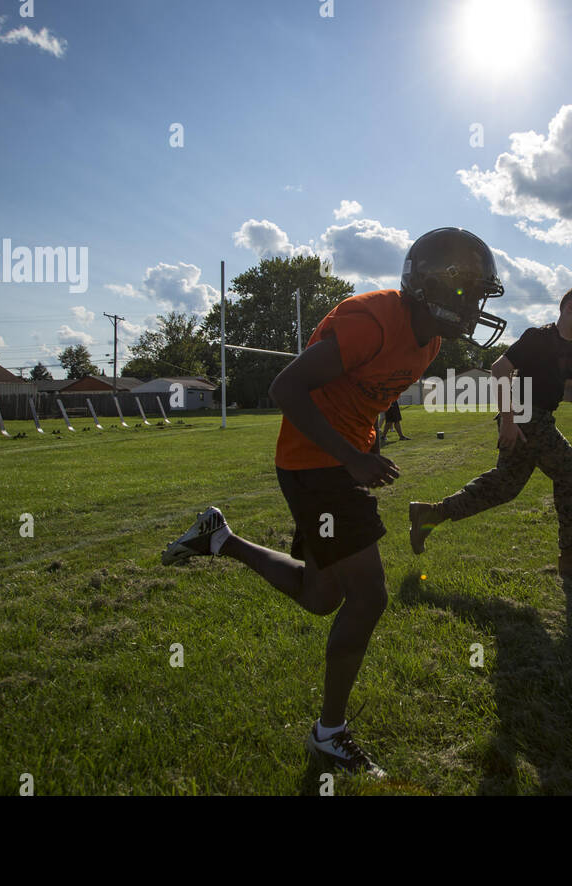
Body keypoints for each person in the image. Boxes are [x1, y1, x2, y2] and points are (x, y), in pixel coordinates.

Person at [159, 227, 507, 778]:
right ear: (431, 288)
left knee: (322, 596)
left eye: (481, 297)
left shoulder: (430, 342)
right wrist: (351, 459)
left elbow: (360, 401)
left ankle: (218, 538)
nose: (475, 309)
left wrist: (362, 451)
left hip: (332, 464)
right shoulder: (371, 319)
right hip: (315, 465)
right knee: (367, 598)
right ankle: (329, 734)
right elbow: (286, 388)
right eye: (469, 293)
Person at [408, 287, 572, 582]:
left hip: (534, 420)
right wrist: (508, 419)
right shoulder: (538, 338)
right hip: (526, 418)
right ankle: (571, 559)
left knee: (504, 486)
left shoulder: (570, 349)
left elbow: (569, 388)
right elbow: (499, 368)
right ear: (569, 308)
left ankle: (430, 514)